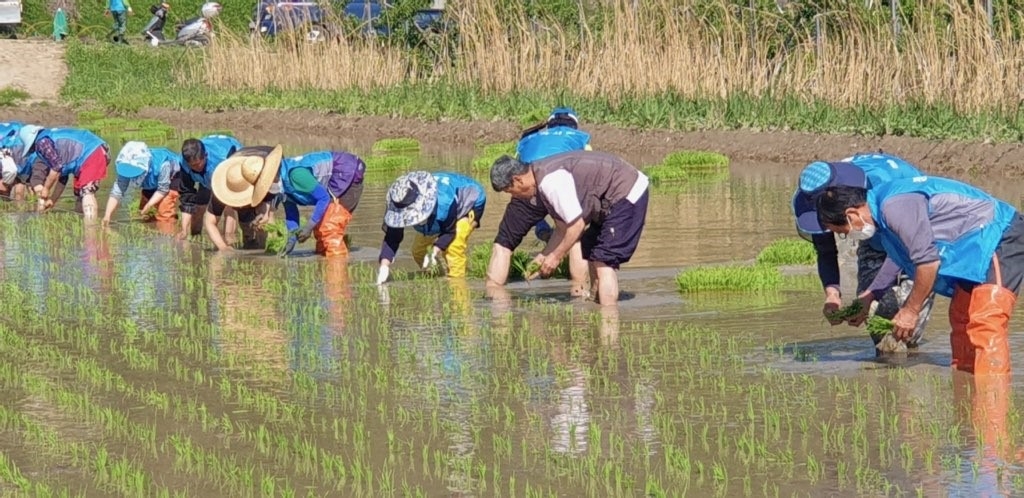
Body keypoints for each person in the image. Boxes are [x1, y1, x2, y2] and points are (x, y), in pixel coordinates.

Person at [816, 176, 1024, 375]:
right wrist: (870, 296)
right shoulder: (881, 217)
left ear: (852, 214)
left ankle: (992, 402)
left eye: (842, 230)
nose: (846, 235)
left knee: (985, 322)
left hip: (999, 236)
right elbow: (899, 259)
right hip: (972, 250)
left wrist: (910, 310)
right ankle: (967, 397)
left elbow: (927, 263)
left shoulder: (894, 206)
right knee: (962, 319)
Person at [791, 153, 936, 351]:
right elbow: (825, 250)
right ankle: (889, 369)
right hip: (869, 234)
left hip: (914, 237)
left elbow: (905, 252)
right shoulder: (818, 194)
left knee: (906, 324)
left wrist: (876, 295)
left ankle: (907, 363)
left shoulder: (886, 188)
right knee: (877, 321)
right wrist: (832, 294)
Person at [490, 151, 649, 306]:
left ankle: (608, 320)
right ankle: (596, 304)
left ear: (518, 180)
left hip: (627, 191)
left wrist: (555, 257)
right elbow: (562, 229)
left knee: (604, 259)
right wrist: (543, 257)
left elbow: (577, 226)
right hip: (607, 199)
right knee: (590, 247)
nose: (514, 197)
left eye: (510, 191)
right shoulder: (540, 180)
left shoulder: (550, 182)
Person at [487, 107, 592, 296]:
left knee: (503, 244)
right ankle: (579, 293)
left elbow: (518, 171)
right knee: (575, 235)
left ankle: (494, 296)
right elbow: (588, 169)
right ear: (575, 124)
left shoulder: (529, 138)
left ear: (548, 124)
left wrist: (539, 220)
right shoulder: (578, 137)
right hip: (557, 184)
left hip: (525, 188)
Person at [376, 171, 486, 284]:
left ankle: (458, 288)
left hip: (469, 201)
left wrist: (434, 251)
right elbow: (392, 237)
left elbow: (449, 232)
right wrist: (384, 265)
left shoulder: (445, 203)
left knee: (454, 247)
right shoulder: (400, 200)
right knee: (419, 250)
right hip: (441, 210)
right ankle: (437, 279)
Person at [276, 150, 366, 257]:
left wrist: (308, 227)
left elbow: (324, 198)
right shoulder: (281, 187)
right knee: (319, 232)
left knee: (330, 228)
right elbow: (291, 214)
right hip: (333, 183)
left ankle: (338, 267)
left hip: (347, 174)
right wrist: (291, 239)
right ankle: (323, 266)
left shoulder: (296, 175)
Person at [17, 126, 109, 220]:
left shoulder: (42, 142)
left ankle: (90, 228)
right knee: (80, 195)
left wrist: (46, 189)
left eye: (31, 149)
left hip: (92, 152)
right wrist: (52, 200)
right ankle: (83, 224)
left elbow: (56, 167)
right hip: (89, 154)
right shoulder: (50, 140)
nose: (34, 151)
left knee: (87, 192)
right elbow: (62, 178)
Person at [208, 145, 284, 251]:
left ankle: (266, 250)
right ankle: (250, 244)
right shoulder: (223, 184)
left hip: (268, 162)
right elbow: (209, 222)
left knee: (265, 220)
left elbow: (266, 204)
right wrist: (223, 247)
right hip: (242, 160)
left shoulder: (266, 176)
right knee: (247, 227)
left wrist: (265, 214)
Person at [177, 134, 243, 245]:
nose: (196, 167)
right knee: (198, 207)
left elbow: (229, 199)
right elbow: (187, 196)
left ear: (205, 156)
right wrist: (184, 230)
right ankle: (196, 237)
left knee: (228, 206)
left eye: (198, 164)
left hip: (227, 166)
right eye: (192, 166)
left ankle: (229, 240)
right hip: (206, 177)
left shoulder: (223, 158)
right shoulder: (185, 164)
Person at [102, 141, 183, 225]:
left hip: (173, 176)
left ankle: (168, 231)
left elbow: (163, 189)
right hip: (150, 180)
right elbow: (116, 192)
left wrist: (148, 205)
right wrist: (107, 215)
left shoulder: (163, 165)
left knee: (164, 210)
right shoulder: (126, 166)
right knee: (144, 212)